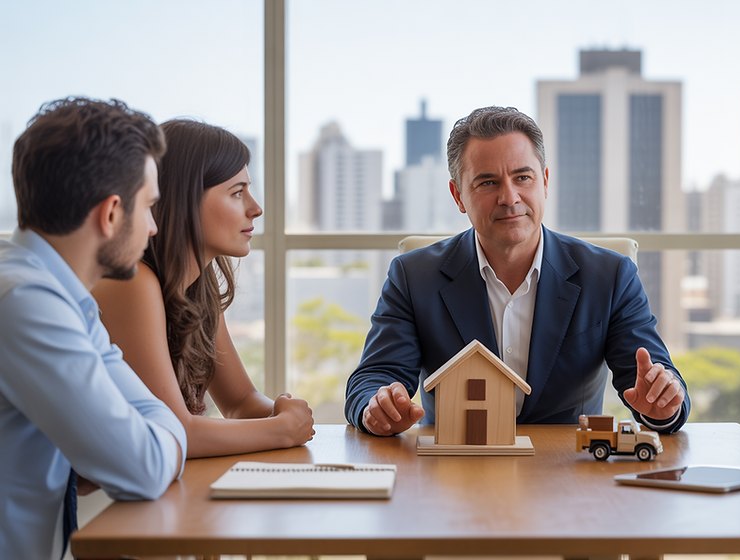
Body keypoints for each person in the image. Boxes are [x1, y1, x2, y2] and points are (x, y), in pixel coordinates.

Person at [345, 106, 690, 436]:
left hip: (567, 466)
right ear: (458, 195)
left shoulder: (611, 276)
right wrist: (377, 408)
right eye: (487, 183)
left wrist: (661, 406)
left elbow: (656, 381)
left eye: (522, 177)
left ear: (545, 182)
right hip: (455, 464)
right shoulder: (413, 277)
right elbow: (373, 378)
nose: (509, 198)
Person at [0, 98, 186, 559]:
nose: (153, 228)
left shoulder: (68, 300)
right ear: (111, 214)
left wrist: (153, 435)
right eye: (149, 207)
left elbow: (152, 416)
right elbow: (142, 467)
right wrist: (158, 436)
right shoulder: (26, 302)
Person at [92, 119, 315, 459]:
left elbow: (240, 403)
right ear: (184, 200)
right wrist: (282, 428)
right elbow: (174, 431)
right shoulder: (132, 282)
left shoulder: (200, 285)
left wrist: (283, 412)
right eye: (237, 192)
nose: (255, 208)